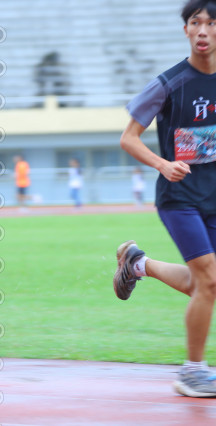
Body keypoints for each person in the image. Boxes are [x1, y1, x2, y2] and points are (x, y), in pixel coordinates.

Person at [113, 0, 216, 397]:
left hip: (213, 196)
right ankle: (193, 371)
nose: (203, 30)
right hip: (180, 196)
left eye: (211, 23)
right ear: (186, 30)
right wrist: (162, 164)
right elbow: (128, 138)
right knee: (209, 279)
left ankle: (138, 264)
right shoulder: (170, 83)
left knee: (204, 283)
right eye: (196, 22)